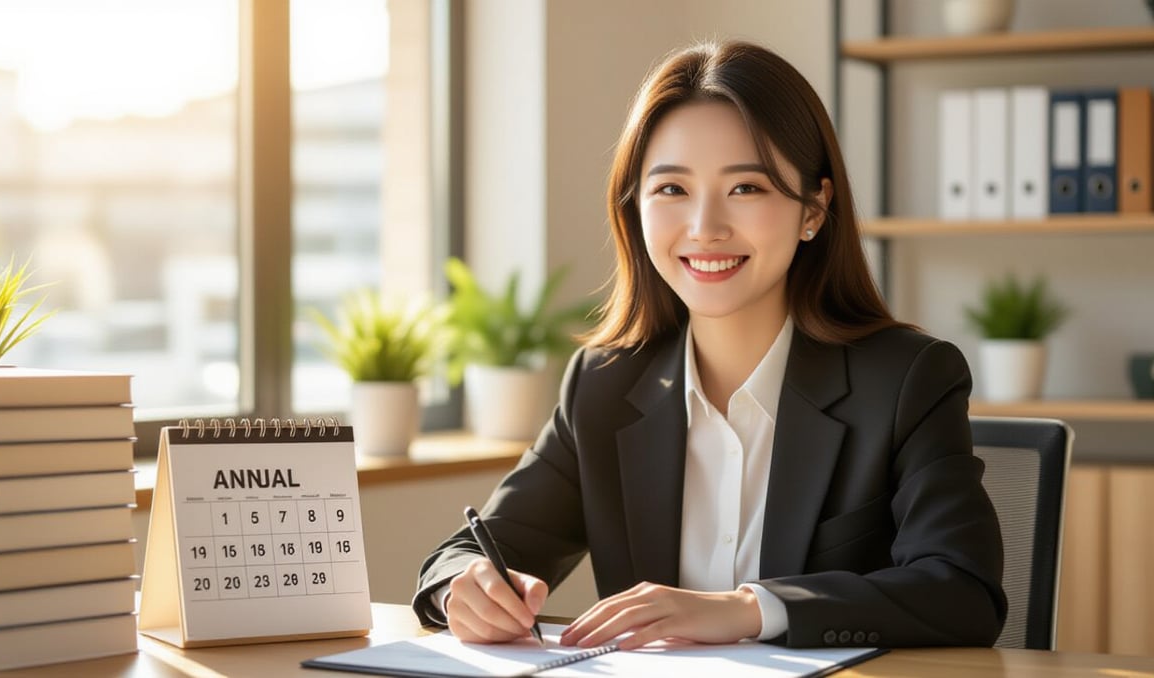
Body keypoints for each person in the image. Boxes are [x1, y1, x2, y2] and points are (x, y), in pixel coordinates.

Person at [413, 39, 1006, 650]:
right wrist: (465, 585)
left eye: (746, 188)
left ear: (814, 208)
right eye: (672, 190)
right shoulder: (604, 383)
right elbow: (472, 550)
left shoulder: (906, 380)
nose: (705, 228)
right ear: (634, 209)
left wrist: (750, 609)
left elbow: (962, 591)